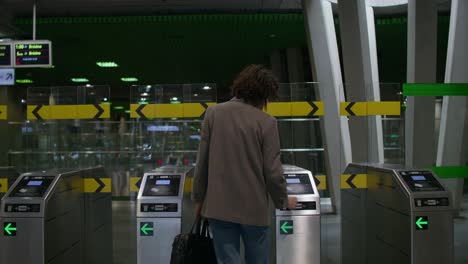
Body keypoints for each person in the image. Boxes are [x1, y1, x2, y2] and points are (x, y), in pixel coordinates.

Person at [191, 64, 298, 264]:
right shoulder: (267, 122)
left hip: (218, 207)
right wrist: (283, 201)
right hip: (254, 209)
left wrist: (199, 198)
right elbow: (273, 172)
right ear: (264, 95)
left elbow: (202, 162)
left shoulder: (213, 114)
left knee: (227, 260)